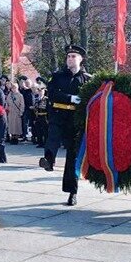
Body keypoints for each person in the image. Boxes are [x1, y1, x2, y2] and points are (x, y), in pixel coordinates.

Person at [39, 45, 91, 206]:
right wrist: (70, 98)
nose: (70, 59)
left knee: (72, 157)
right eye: (68, 56)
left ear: (81, 59)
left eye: (73, 56)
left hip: (75, 120)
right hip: (58, 115)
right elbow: (53, 93)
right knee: (52, 138)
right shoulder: (57, 76)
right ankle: (49, 160)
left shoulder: (87, 79)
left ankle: (72, 192)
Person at [4, 79, 25, 144]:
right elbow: (6, 103)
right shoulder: (9, 95)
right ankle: (12, 137)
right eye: (13, 88)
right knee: (11, 126)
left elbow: (22, 104)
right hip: (11, 112)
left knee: (17, 125)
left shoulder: (20, 95)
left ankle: (16, 138)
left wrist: (21, 112)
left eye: (15, 87)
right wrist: (6, 109)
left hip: (17, 112)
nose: (14, 89)